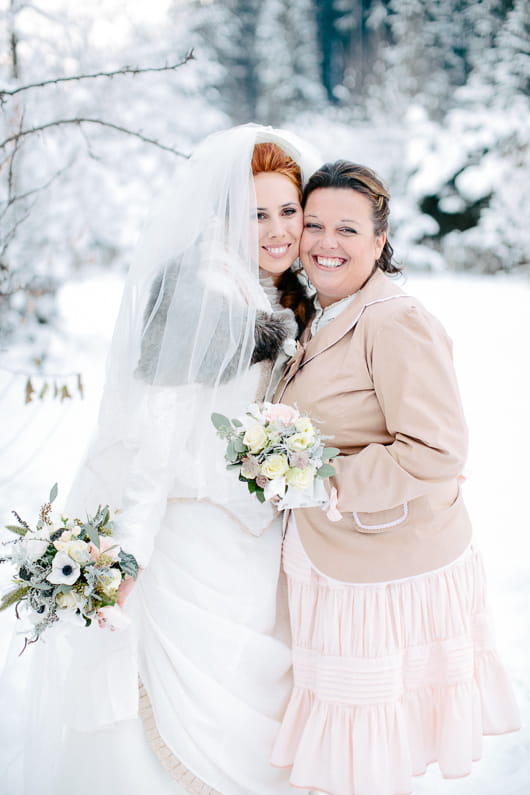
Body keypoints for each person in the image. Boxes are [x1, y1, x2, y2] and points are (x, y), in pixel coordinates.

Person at [0, 124, 319, 795]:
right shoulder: (200, 296)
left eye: (288, 210)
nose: (277, 229)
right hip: (191, 541)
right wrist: (127, 555)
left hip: (255, 544)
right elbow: (154, 437)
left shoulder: (272, 291)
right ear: (226, 216)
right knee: (185, 725)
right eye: (256, 213)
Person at [270, 161, 520, 795]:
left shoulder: (394, 319)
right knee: (340, 745)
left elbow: (436, 449)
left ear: (380, 241)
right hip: (332, 559)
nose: (327, 241)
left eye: (348, 229)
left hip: (380, 568)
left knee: (360, 749)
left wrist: (326, 483)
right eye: (316, 224)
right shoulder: (319, 311)